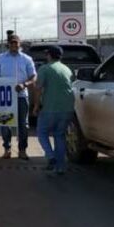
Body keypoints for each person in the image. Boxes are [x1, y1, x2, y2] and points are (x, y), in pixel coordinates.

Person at [0, 34, 36, 160]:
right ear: (8, 44)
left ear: (19, 44)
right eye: (11, 42)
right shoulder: (0, 58)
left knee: (23, 124)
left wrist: (24, 84)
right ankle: (7, 149)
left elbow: (33, 76)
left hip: (21, 96)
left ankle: (22, 150)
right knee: (5, 123)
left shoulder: (26, 59)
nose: (14, 45)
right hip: (5, 97)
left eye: (16, 42)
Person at [33, 46, 74, 175]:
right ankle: (60, 167)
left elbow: (38, 89)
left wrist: (36, 106)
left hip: (50, 108)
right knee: (59, 135)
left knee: (41, 132)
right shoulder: (67, 69)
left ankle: (51, 157)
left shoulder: (45, 69)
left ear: (49, 55)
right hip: (67, 108)